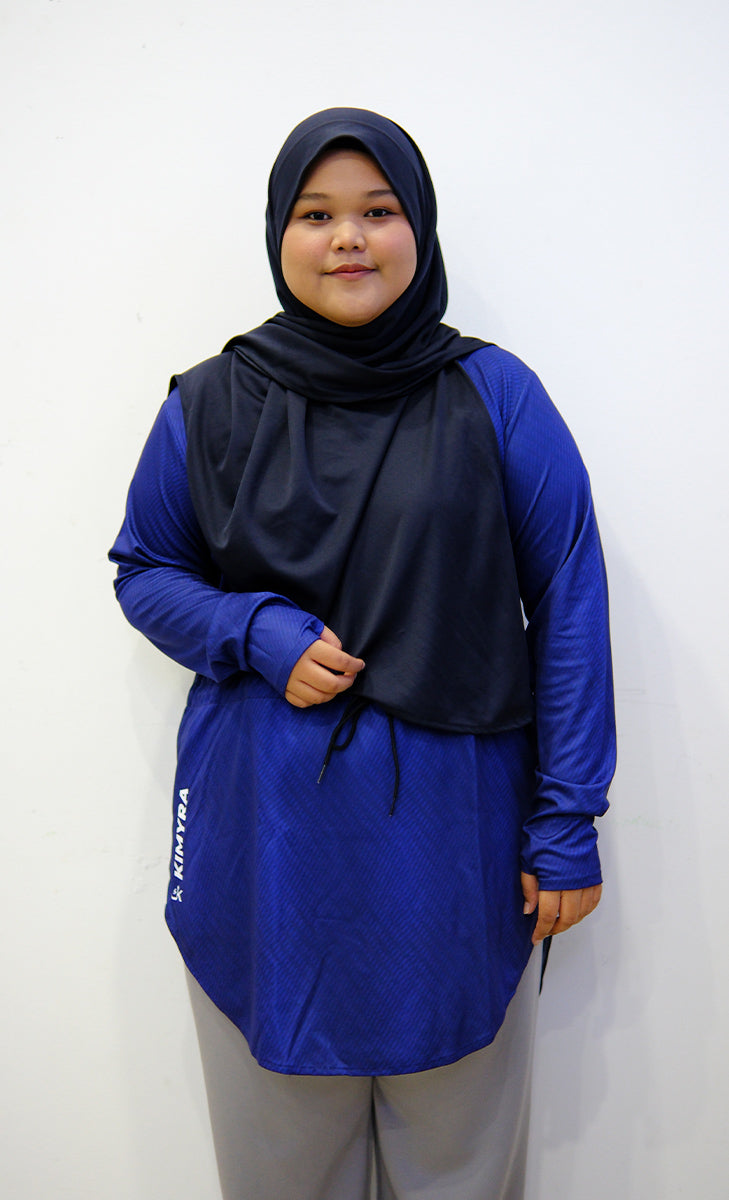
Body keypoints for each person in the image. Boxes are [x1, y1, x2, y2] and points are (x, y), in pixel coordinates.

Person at [109, 108, 615, 1200]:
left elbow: (569, 596)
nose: (348, 238)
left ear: (418, 228)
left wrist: (567, 819)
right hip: (266, 844)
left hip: (456, 845)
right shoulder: (209, 404)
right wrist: (254, 631)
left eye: (378, 211)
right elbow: (145, 569)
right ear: (277, 235)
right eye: (316, 214)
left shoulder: (494, 395)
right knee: (281, 1165)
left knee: (461, 1164)